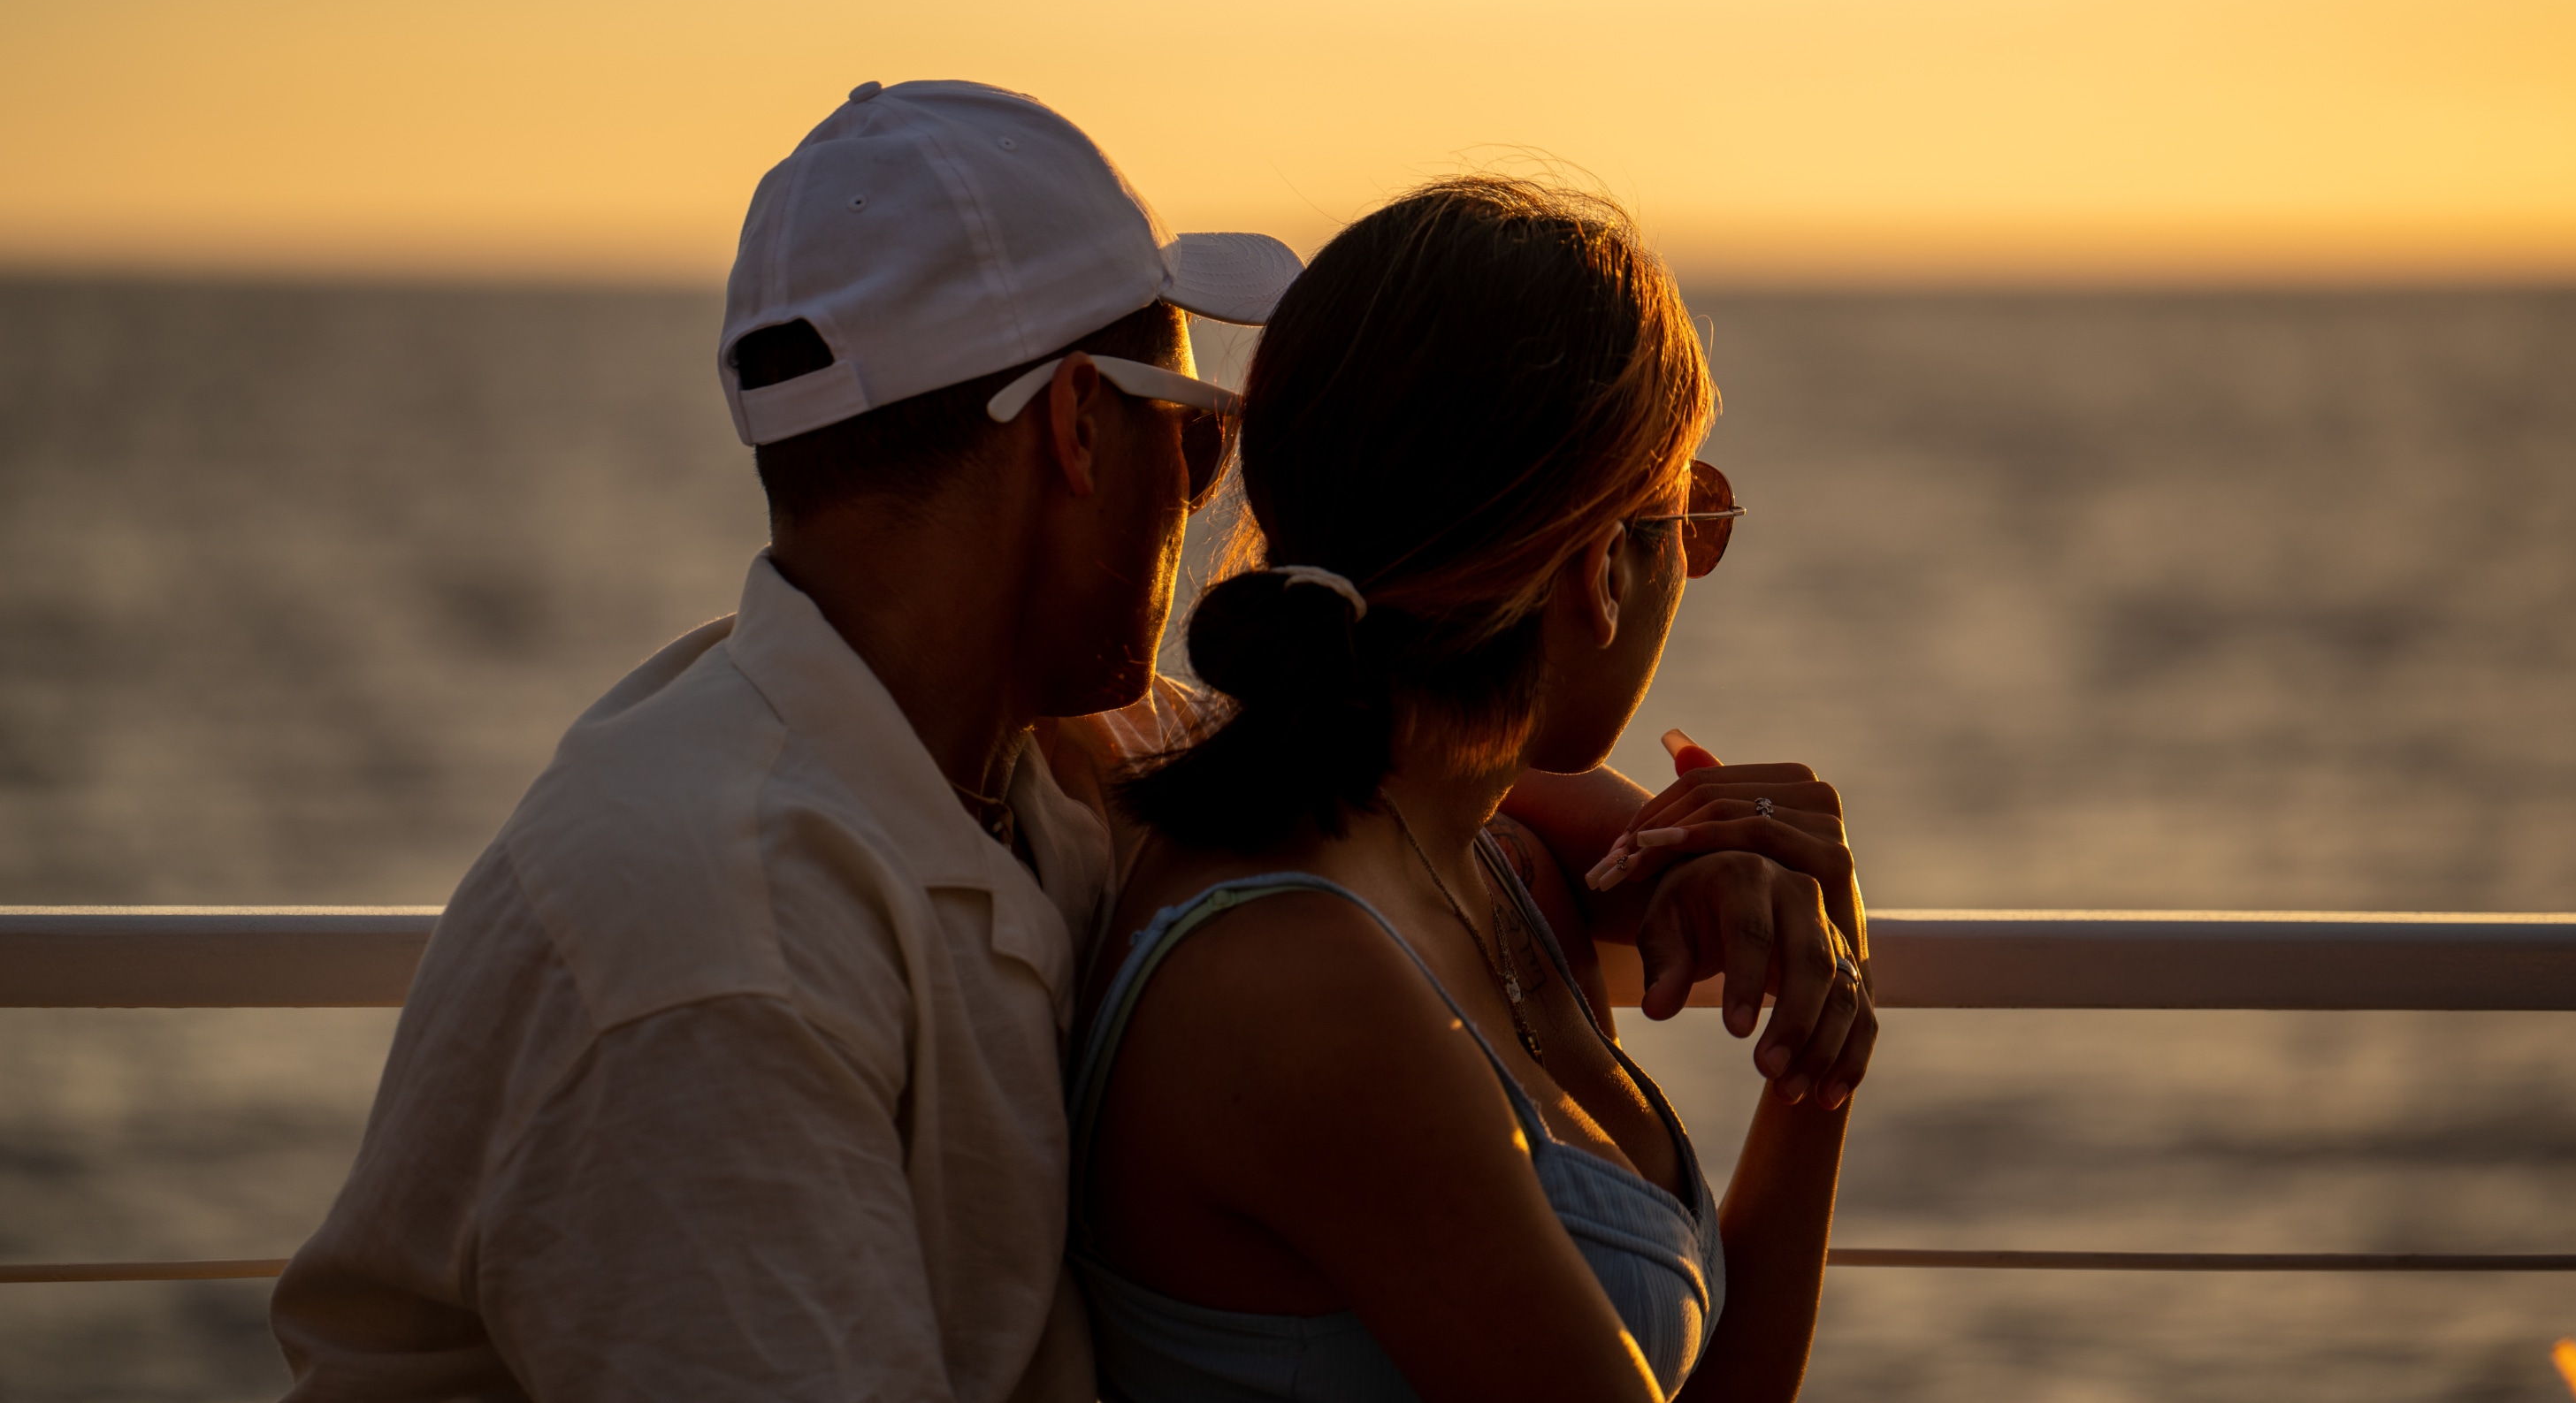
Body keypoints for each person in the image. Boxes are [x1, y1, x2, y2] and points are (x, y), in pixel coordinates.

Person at [270, 81, 1867, 1402]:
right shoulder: (718, 953)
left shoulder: (1026, 760)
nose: (1214, 491)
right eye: (1196, 431)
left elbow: (1403, 765)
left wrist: (1673, 852)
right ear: (1076, 429)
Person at [1075, 176, 1872, 1403]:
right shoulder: (1303, 987)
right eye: (1690, 519)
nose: (1689, 564)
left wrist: (1812, 1025)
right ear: (1602, 569)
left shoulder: (1484, 863)